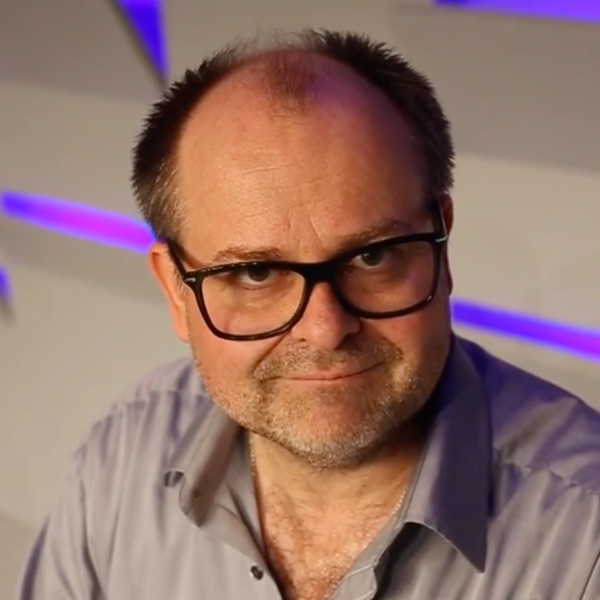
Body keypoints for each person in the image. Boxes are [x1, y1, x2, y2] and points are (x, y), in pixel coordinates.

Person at [17, 29, 600, 600]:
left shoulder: (584, 537)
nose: (324, 329)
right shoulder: (124, 451)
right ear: (175, 291)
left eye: (372, 257)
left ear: (442, 245)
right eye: (256, 274)